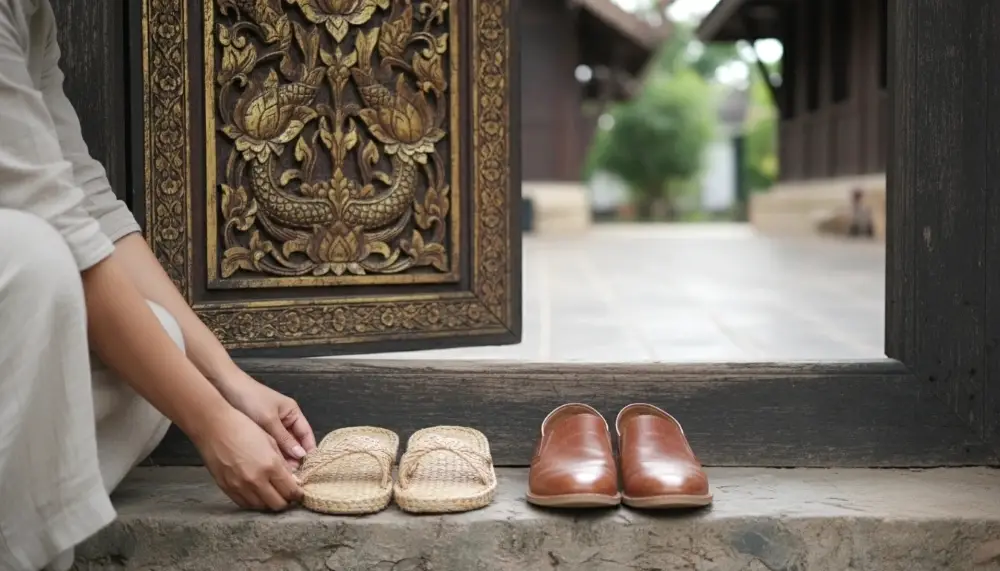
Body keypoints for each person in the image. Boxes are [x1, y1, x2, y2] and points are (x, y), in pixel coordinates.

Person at [0, 2, 317, 569]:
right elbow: (54, 224)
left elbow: (84, 203)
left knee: (159, 345)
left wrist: (230, 385)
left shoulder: (31, 15)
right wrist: (212, 425)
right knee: (36, 259)